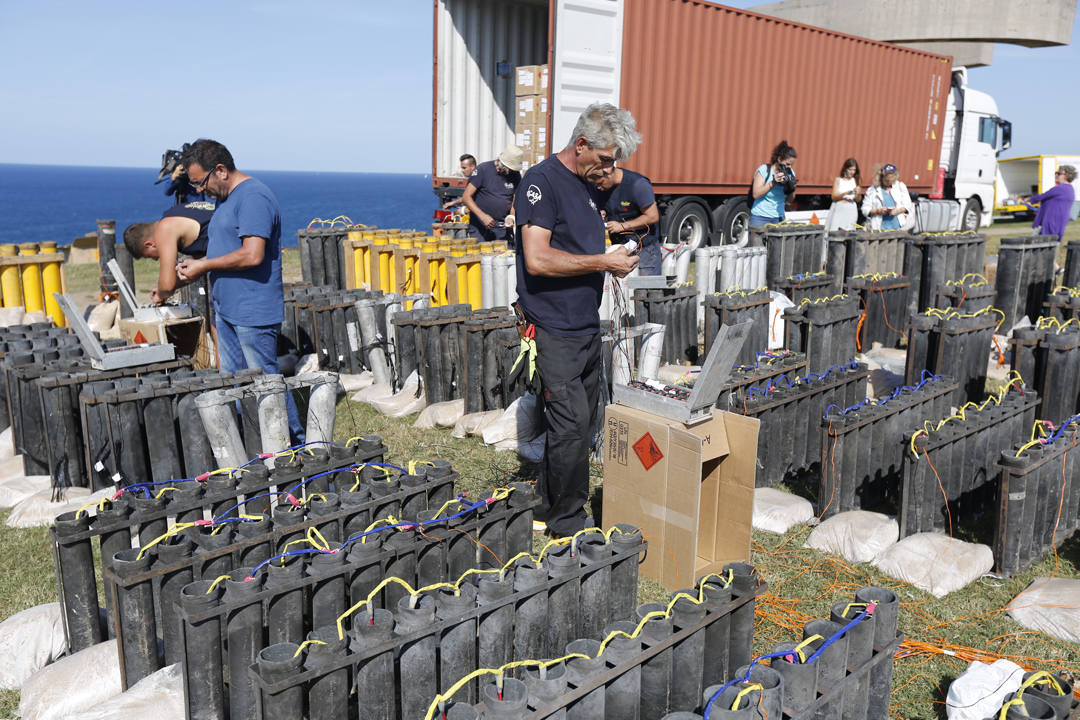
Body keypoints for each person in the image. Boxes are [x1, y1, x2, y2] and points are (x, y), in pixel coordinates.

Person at [514, 102, 640, 537]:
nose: (609, 170)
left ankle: (549, 505)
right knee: (569, 426)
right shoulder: (541, 182)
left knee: (582, 424)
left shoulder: (587, 186)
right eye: (604, 159)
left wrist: (613, 254)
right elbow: (537, 259)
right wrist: (603, 262)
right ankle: (569, 525)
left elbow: (581, 245)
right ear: (581, 144)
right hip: (554, 328)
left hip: (585, 325)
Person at [175, 139, 304, 441]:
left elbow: (252, 254)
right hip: (229, 310)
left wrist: (204, 267)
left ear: (220, 170)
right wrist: (199, 264)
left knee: (266, 385)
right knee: (238, 388)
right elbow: (230, 249)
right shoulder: (226, 198)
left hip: (252, 312)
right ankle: (258, 447)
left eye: (200, 182)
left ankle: (296, 446)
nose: (198, 190)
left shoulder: (254, 197)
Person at [122, 202, 214, 305]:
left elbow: (167, 287)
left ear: (149, 244)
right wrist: (162, 288)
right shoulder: (174, 214)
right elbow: (200, 267)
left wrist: (161, 294)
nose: (156, 259)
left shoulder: (165, 229)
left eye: (149, 256)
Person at [593, 164, 661, 275]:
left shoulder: (638, 185)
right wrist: (602, 212)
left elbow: (652, 216)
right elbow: (605, 206)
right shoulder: (602, 187)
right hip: (619, 247)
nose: (598, 187)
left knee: (644, 289)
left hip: (644, 249)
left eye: (600, 183)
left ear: (610, 173)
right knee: (622, 290)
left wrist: (622, 226)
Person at [463, 146, 523, 242]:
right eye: (508, 169)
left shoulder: (515, 175)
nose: (510, 172)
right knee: (480, 255)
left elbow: (515, 199)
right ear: (501, 164)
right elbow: (466, 197)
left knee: (503, 255)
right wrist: (483, 216)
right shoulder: (483, 169)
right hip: (479, 227)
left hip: (501, 228)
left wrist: (511, 217)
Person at [750, 141, 798, 227]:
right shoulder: (764, 170)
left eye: (791, 165)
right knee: (757, 240)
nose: (789, 167)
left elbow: (789, 201)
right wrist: (773, 183)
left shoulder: (790, 173)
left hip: (779, 217)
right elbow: (755, 195)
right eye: (787, 164)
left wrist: (791, 189)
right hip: (760, 217)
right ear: (779, 159)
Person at [1024, 165, 1076, 242]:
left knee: (1042, 243)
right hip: (1058, 221)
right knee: (1052, 242)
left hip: (1052, 221)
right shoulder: (1069, 189)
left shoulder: (1060, 188)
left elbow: (1043, 196)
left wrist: (1029, 199)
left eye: (1059, 173)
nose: (1056, 175)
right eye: (1056, 173)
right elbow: (1053, 202)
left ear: (1066, 175)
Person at [861, 163, 915, 231]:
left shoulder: (900, 186)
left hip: (898, 228)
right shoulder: (872, 190)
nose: (889, 182)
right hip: (878, 228)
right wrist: (878, 211)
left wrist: (897, 211)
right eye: (887, 180)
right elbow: (865, 210)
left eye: (892, 180)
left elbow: (908, 205)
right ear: (881, 177)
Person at [825, 158, 863, 232]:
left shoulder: (856, 180)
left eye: (854, 170)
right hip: (839, 207)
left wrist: (858, 194)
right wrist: (846, 193)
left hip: (851, 208)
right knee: (835, 230)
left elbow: (858, 200)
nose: (852, 172)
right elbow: (834, 197)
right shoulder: (838, 180)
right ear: (845, 169)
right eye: (850, 169)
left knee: (849, 230)